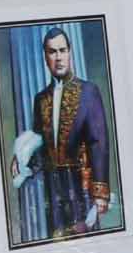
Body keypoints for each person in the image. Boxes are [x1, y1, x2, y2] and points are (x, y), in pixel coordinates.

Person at [31, 27, 108, 237]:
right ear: (46, 57)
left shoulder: (88, 91)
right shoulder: (40, 99)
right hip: (53, 189)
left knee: (86, 243)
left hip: (81, 187)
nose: (58, 57)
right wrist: (24, 162)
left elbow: (98, 142)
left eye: (62, 50)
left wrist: (100, 192)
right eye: (52, 52)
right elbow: (40, 145)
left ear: (70, 52)